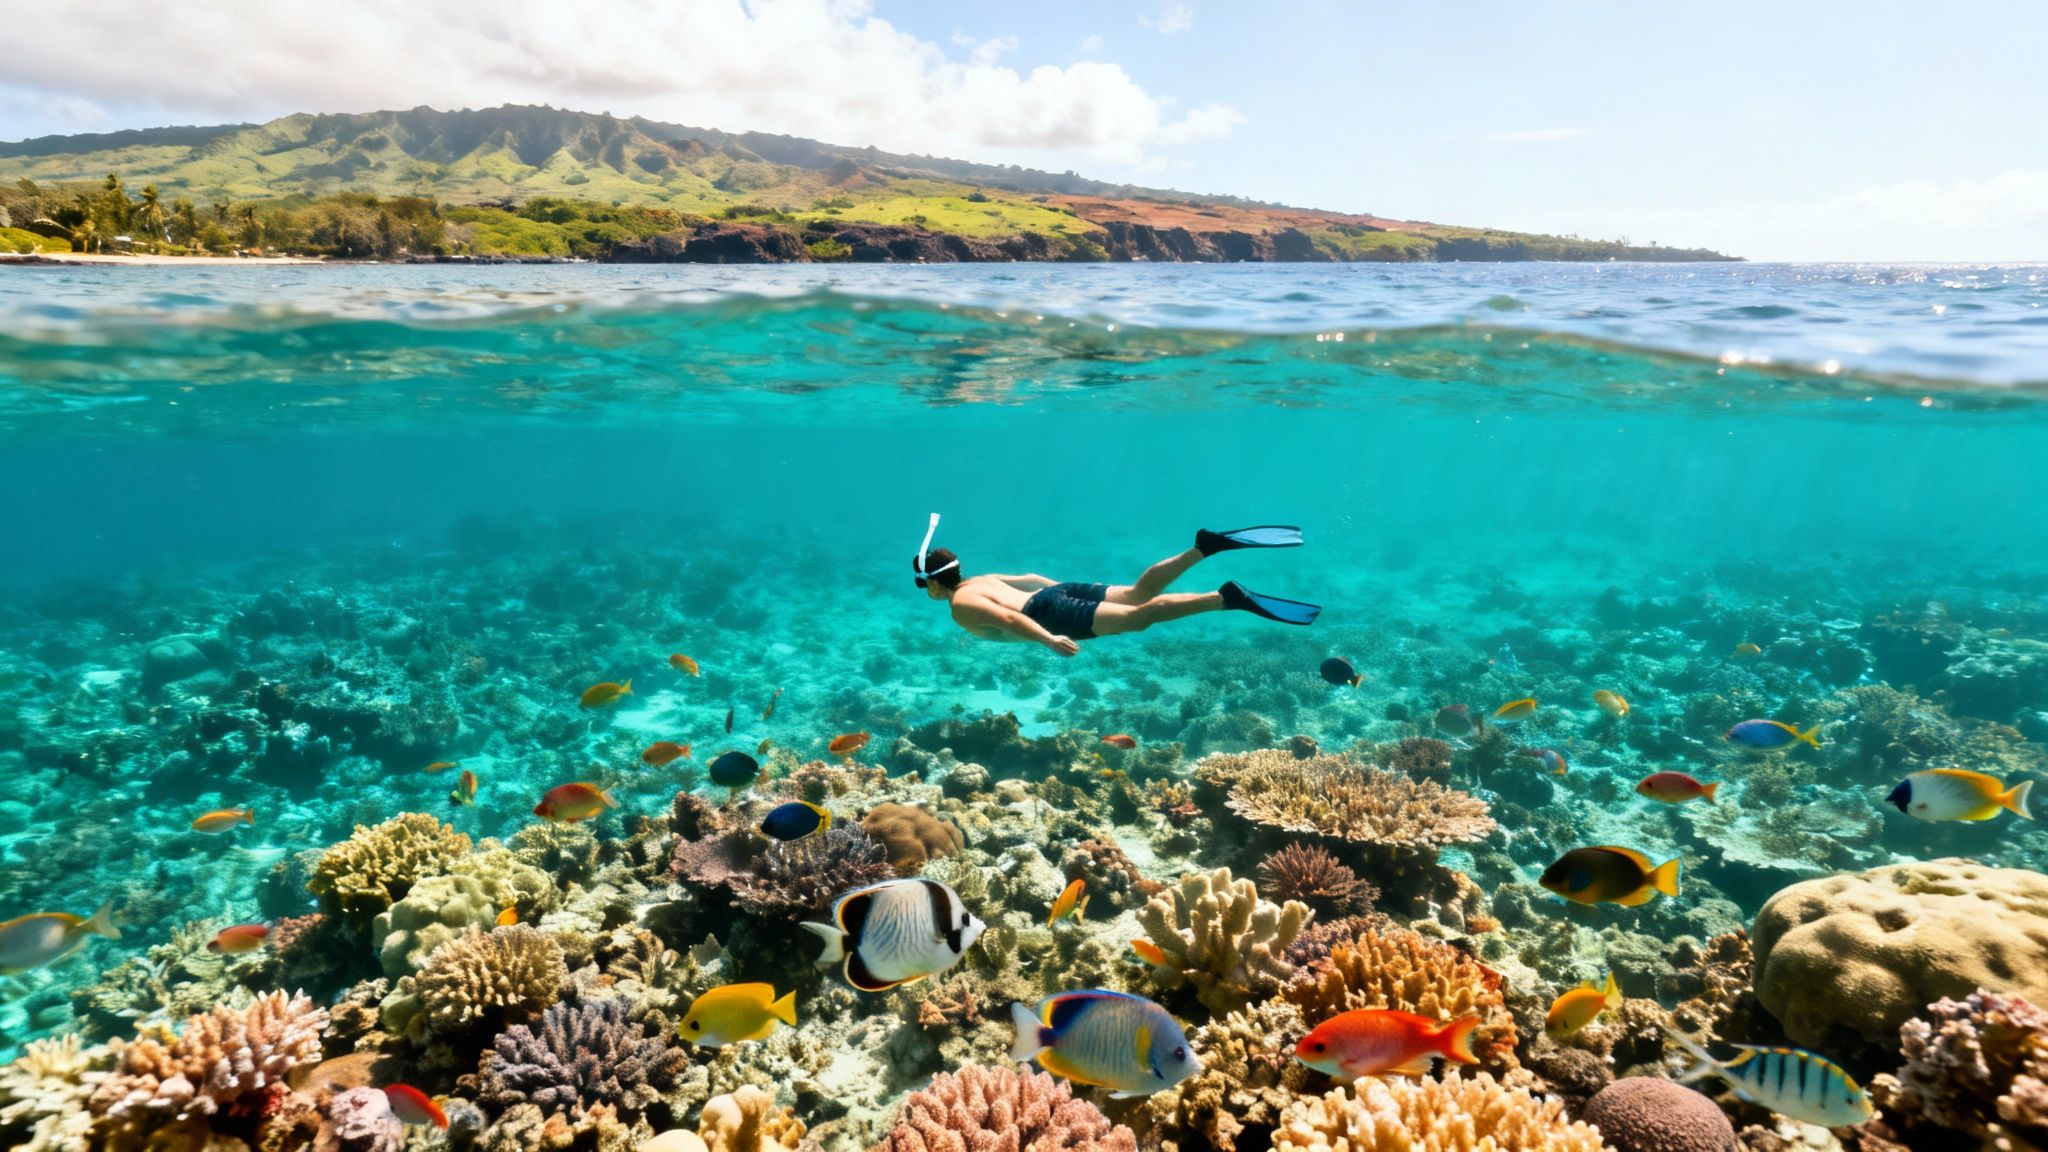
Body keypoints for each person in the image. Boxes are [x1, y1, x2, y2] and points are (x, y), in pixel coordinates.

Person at [911, 514, 1320, 656]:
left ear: (932, 584)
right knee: (1137, 593)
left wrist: (1049, 639)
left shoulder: (960, 604)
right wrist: (1062, 591)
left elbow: (1006, 618)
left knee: (1138, 617)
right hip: (1053, 595)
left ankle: (1224, 599)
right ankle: (1203, 548)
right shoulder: (980, 578)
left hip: (1045, 614)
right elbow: (1032, 578)